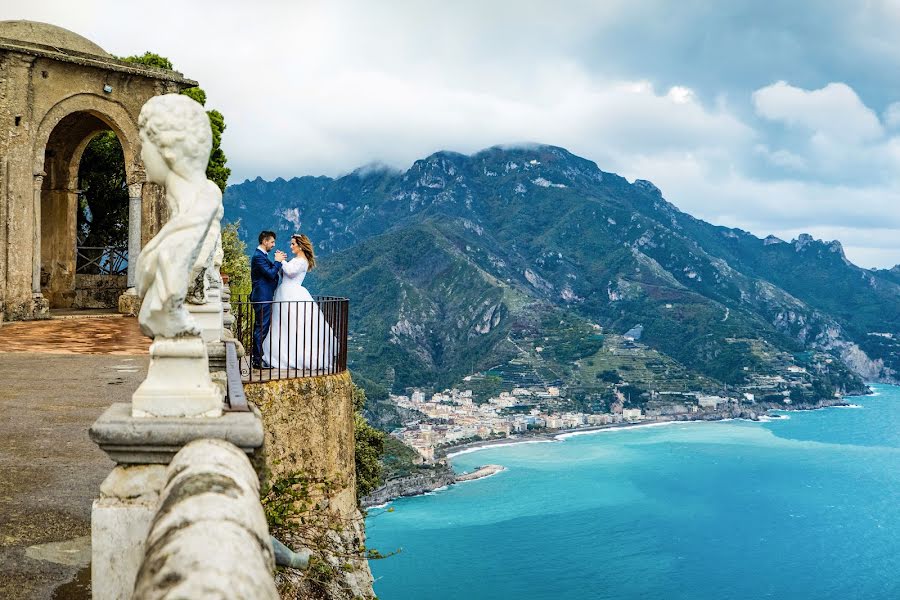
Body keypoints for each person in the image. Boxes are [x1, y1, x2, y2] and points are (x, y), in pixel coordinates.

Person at [262, 234, 336, 371]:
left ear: (300, 246)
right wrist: (281, 262)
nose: (291, 246)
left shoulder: (302, 261)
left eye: (293, 244)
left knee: (294, 324)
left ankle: (295, 356)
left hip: (292, 293)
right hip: (285, 293)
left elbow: (290, 272)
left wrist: (281, 261)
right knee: (283, 324)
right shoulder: (297, 259)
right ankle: (282, 353)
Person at [250, 231, 286, 367]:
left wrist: (278, 262)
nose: (273, 245)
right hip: (262, 297)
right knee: (261, 328)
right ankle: (257, 361)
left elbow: (270, 269)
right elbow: (271, 274)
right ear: (265, 241)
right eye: (272, 242)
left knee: (261, 327)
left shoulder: (262, 256)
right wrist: (277, 261)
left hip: (263, 296)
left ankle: (258, 358)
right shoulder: (258, 257)